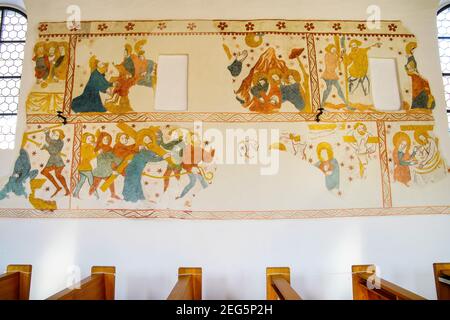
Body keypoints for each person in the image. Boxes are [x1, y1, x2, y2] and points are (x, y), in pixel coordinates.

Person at [122, 131, 166, 202]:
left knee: (137, 181)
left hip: (139, 167)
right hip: (134, 167)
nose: (147, 140)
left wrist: (161, 156)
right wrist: (163, 157)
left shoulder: (150, 147)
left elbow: (154, 154)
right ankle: (131, 198)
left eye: (148, 138)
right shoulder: (143, 149)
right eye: (145, 139)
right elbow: (150, 159)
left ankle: (137, 196)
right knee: (132, 181)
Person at [89, 132, 121, 200]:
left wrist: (120, 160)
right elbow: (96, 157)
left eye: (107, 139)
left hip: (107, 170)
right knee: (95, 184)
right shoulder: (98, 148)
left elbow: (113, 157)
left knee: (110, 182)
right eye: (104, 139)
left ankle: (113, 194)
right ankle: (90, 195)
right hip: (99, 170)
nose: (106, 140)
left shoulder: (110, 148)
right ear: (101, 140)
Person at [405, 42, 436, 110]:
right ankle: (423, 102)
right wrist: (417, 74)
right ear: (410, 49)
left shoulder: (411, 57)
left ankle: (427, 100)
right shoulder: (410, 58)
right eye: (413, 49)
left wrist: (418, 74)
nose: (414, 50)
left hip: (415, 74)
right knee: (424, 83)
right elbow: (410, 69)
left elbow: (414, 69)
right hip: (413, 75)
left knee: (425, 82)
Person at [41, 129, 70, 198]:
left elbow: (54, 151)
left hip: (57, 162)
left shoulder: (60, 142)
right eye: (53, 134)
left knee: (58, 175)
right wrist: (47, 133)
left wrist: (46, 146)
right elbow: (49, 141)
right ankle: (58, 187)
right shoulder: (54, 141)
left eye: (56, 135)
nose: (54, 136)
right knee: (44, 172)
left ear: (60, 136)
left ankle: (67, 189)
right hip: (52, 161)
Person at [73, 133, 98, 199]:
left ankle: (75, 194)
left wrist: (94, 149)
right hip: (85, 167)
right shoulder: (85, 146)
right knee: (91, 181)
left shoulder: (90, 146)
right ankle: (96, 195)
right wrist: (96, 152)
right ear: (85, 139)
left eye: (91, 138)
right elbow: (87, 157)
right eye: (88, 138)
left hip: (85, 167)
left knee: (81, 181)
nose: (90, 140)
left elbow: (92, 155)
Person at [321, 44, 347, 108]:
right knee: (328, 89)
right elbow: (330, 66)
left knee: (339, 89)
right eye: (333, 49)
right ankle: (322, 103)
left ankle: (346, 103)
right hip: (328, 74)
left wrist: (340, 57)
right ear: (330, 49)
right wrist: (338, 61)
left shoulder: (335, 55)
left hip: (333, 74)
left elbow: (337, 62)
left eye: (335, 49)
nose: (334, 50)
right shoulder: (327, 55)